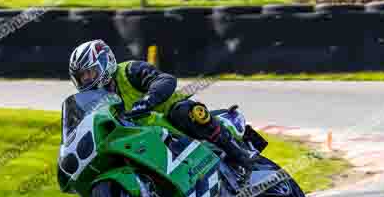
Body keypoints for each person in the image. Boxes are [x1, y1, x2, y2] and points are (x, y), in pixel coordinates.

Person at [68, 39, 255, 173]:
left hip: (168, 115)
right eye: (82, 77)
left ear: (104, 63)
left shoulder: (129, 70)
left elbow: (165, 80)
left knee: (187, 112)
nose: (86, 79)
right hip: (140, 137)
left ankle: (240, 154)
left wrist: (147, 101)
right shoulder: (94, 102)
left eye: (89, 73)